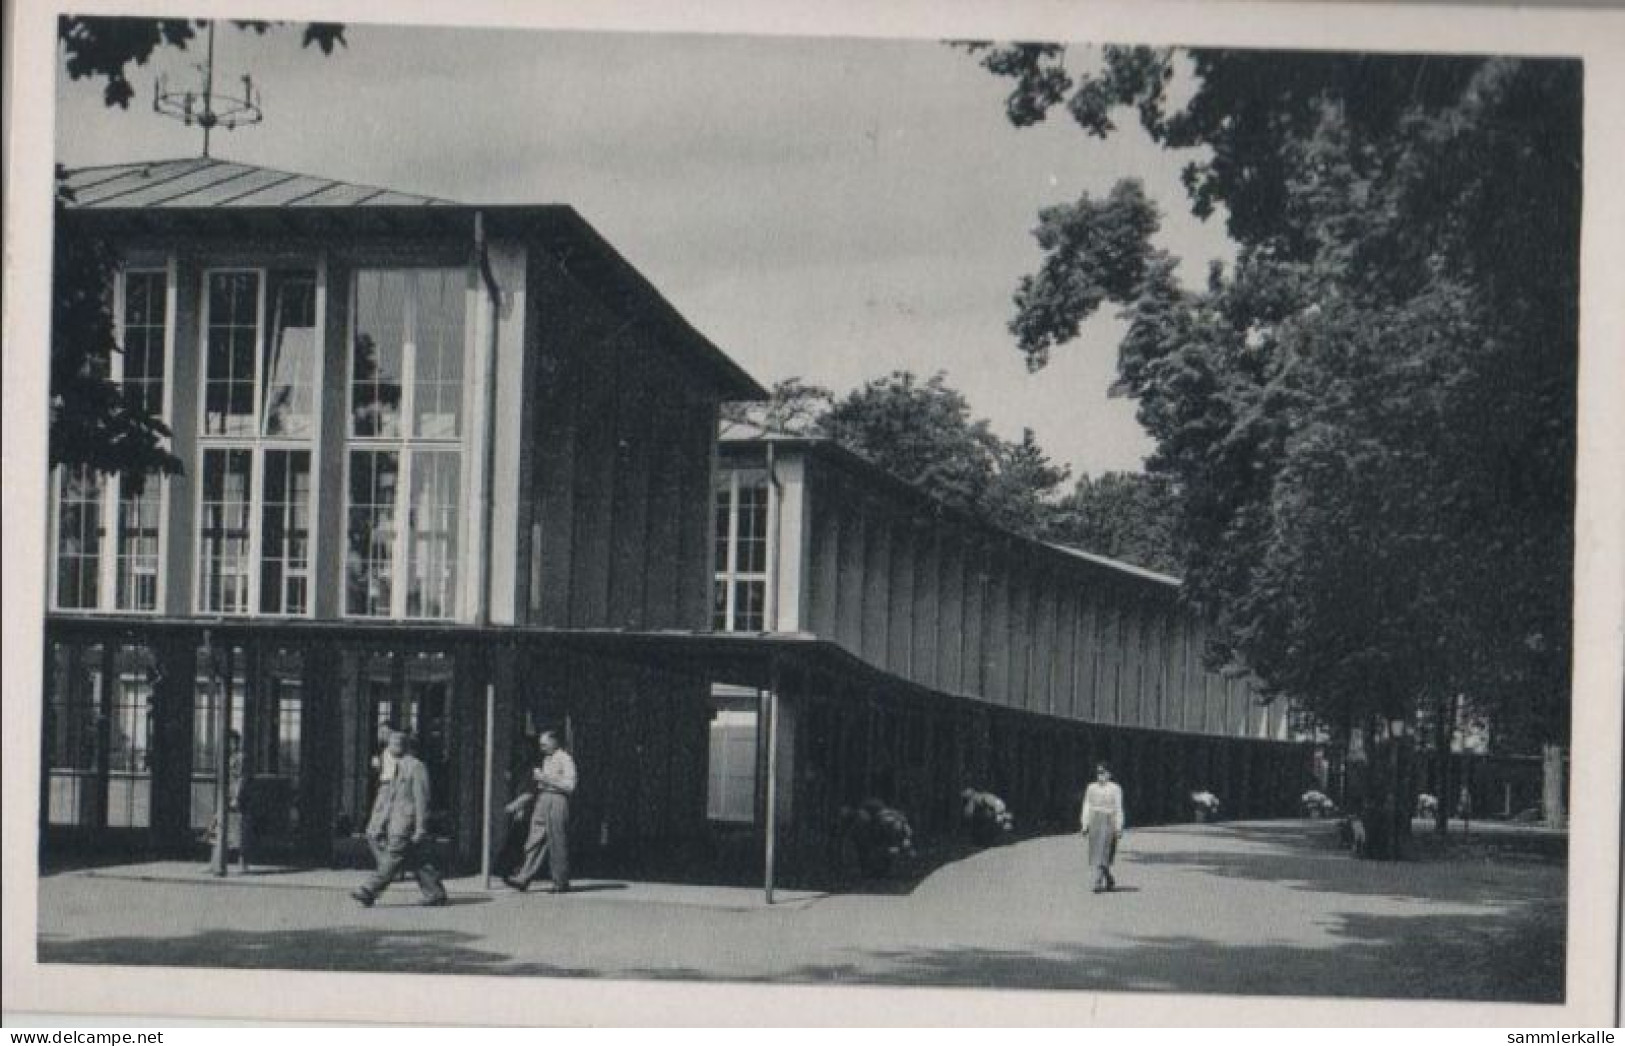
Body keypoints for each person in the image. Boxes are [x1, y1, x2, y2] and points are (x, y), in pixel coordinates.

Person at [351, 730, 447, 907]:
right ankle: (435, 892)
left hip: (405, 823)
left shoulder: (416, 767)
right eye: (391, 744)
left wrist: (420, 828)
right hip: (395, 822)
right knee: (417, 859)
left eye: (396, 744)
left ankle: (369, 889)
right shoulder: (397, 767)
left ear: (406, 746)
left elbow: (422, 799)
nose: (392, 748)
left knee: (393, 856)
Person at [504, 730, 576, 894]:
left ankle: (560, 881)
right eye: (541, 744)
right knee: (534, 838)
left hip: (558, 798)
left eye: (545, 743)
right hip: (543, 798)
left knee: (557, 840)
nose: (542, 747)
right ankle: (523, 877)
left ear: (555, 742)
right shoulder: (545, 759)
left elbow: (570, 786)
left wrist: (546, 779)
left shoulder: (565, 759)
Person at [1080, 762, 1126, 893]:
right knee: (1097, 853)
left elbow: (1118, 808)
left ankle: (1097, 881)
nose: (1100, 775)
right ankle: (1109, 878)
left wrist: (1119, 826)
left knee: (1105, 851)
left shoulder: (1115, 788)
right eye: (1098, 773)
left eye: (1103, 772)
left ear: (1109, 774)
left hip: (1109, 820)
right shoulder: (1091, 788)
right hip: (1095, 820)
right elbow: (1087, 805)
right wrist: (1085, 824)